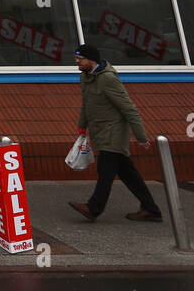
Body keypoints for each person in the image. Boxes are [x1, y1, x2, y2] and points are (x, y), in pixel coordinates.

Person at [68, 43, 163, 222]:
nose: (77, 62)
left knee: (106, 170)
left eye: (80, 59)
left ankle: (94, 208)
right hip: (100, 131)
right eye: (77, 59)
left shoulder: (108, 79)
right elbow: (86, 103)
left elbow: (129, 108)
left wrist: (141, 136)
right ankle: (151, 209)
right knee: (128, 174)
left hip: (114, 133)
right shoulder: (85, 77)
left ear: (91, 60)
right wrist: (82, 125)